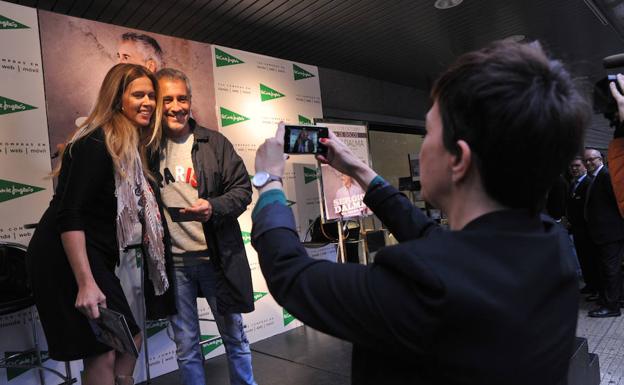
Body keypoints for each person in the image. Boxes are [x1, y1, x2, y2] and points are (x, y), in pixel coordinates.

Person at [251, 40, 588, 384]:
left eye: (429, 131)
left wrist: (269, 181)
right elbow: (433, 237)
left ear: (459, 159)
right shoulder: (551, 246)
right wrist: (358, 170)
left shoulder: (427, 288)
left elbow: (290, 276)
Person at [26, 63, 169, 385]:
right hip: (63, 256)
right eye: (138, 95)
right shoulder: (96, 142)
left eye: (151, 95)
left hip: (93, 253)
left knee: (129, 340)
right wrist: (86, 282)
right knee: (104, 349)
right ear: (117, 98)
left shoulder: (128, 144)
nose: (148, 102)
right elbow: (70, 214)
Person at [151, 68, 256, 385]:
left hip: (217, 259)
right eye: (167, 99)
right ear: (157, 104)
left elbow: (242, 190)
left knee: (234, 338)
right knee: (186, 346)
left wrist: (214, 207)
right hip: (175, 263)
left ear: (190, 100)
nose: (176, 106)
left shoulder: (215, 142)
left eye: (182, 98)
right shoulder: (147, 149)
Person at [583, 148, 624, 317]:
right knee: (608, 269)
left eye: (592, 159)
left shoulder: (606, 176)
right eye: (586, 161)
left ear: (601, 159)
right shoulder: (596, 177)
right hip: (602, 234)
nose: (589, 163)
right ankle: (612, 299)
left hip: (610, 234)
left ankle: (612, 307)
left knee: (610, 270)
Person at [566, 157, 599, 299]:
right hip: (577, 229)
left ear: (584, 167)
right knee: (583, 259)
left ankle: (595, 288)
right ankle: (589, 285)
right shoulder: (574, 184)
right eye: (572, 167)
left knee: (590, 259)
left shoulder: (588, 183)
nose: (574, 169)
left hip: (587, 230)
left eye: (577, 166)